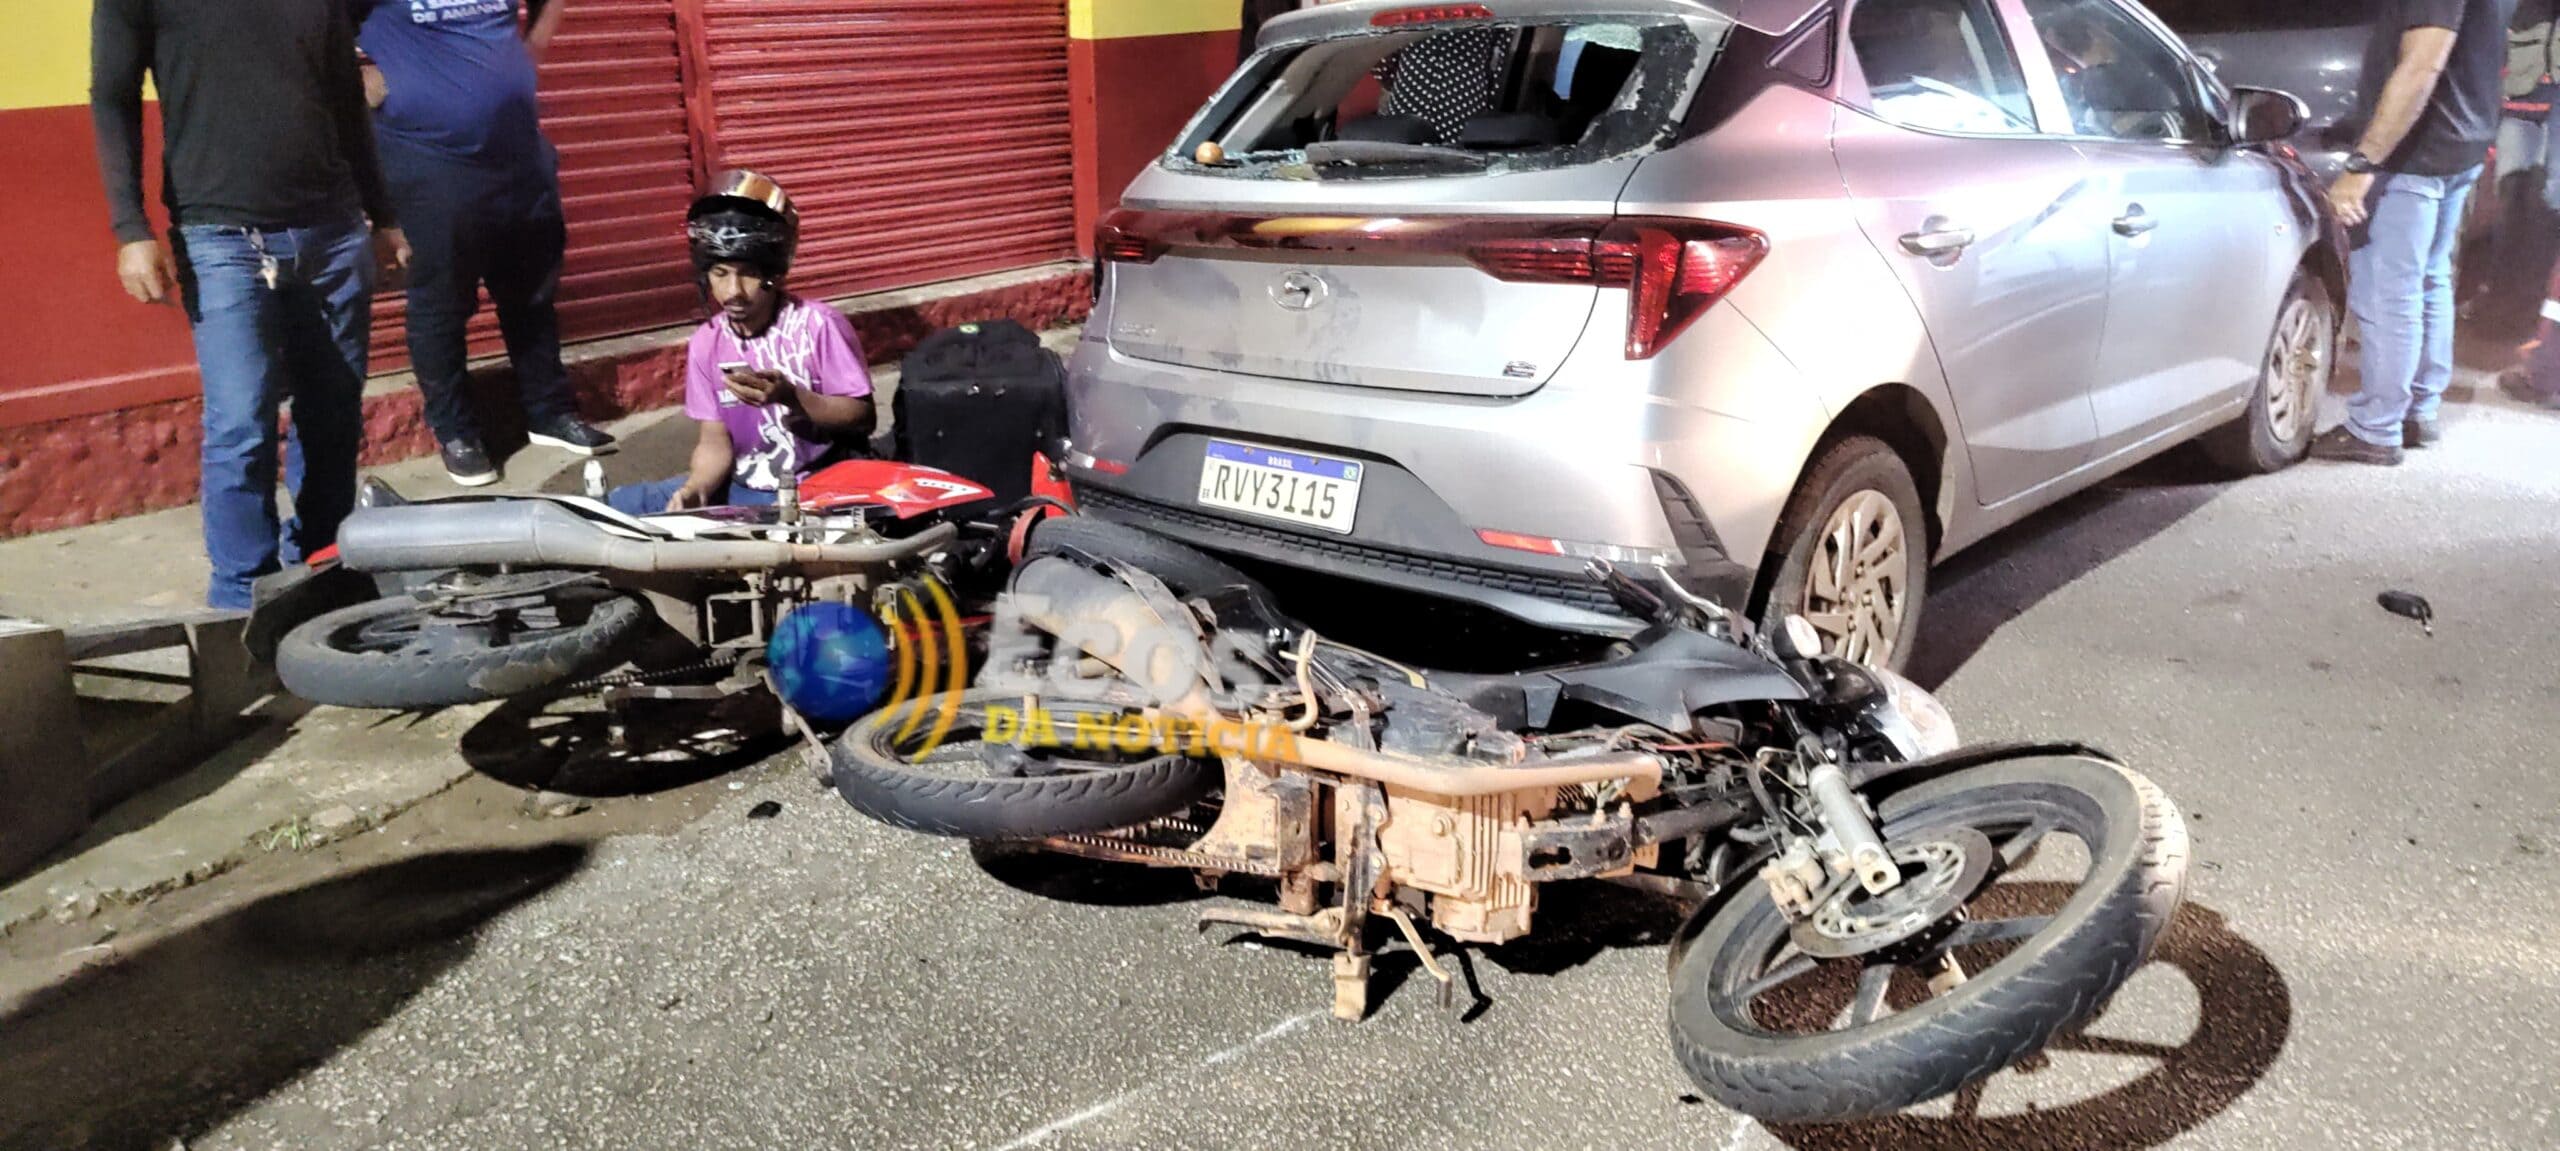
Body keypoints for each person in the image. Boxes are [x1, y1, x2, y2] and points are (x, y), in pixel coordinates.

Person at [92, 0, 410, 609]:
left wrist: (384, 217)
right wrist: (131, 229)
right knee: (242, 420)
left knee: (333, 412)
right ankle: (242, 594)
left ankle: (324, 563)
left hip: (334, 229)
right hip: (221, 238)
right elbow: (113, 98)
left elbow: (346, 98)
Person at [353, 0, 616, 488]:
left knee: (533, 291)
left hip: (518, 151)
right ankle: (457, 433)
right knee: (442, 302)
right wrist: (366, 81)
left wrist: (526, 55)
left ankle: (549, 413)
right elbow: (317, 28)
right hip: (428, 156)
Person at [2315, 0, 2520, 466]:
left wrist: (2364, 164)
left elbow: (2421, 66)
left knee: (2391, 291)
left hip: (2415, 154)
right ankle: (2417, 410)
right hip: (2461, 144)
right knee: (2429, 278)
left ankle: (2376, 427)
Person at [603, 173, 875, 516]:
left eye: (747, 273)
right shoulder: (707, 342)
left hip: (820, 489)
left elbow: (863, 418)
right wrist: (696, 488)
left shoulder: (817, 325)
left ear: (773, 273)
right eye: (719, 273)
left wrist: (792, 398)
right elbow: (715, 441)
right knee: (614, 508)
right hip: (743, 488)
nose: (733, 291)